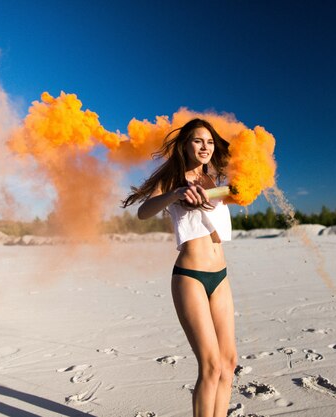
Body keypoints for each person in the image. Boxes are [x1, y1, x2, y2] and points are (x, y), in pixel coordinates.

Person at [122, 118, 237, 417]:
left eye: (210, 141)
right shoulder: (174, 180)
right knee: (210, 365)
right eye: (198, 140)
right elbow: (143, 212)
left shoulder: (216, 180)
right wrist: (175, 194)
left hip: (220, 277)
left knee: (229, 364)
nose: (205, 146)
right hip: (190, 277)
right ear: (185, 145)